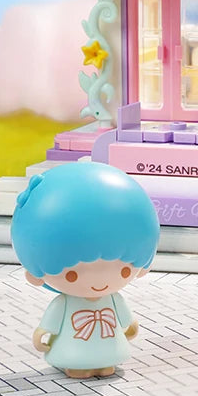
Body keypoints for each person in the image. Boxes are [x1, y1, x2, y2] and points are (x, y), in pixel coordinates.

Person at [11, 161, 160, 377]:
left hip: (109, 349)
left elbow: (128, 322)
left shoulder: (113, 299)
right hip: (73, 351)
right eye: (71, 275)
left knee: (106, 367)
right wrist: (40, 335)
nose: (100, 282)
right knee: (78, 366)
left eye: (124, 271)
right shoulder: (65, 303)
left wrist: (131, 326)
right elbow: (48, 325)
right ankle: (78, 366)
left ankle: (104, 364)